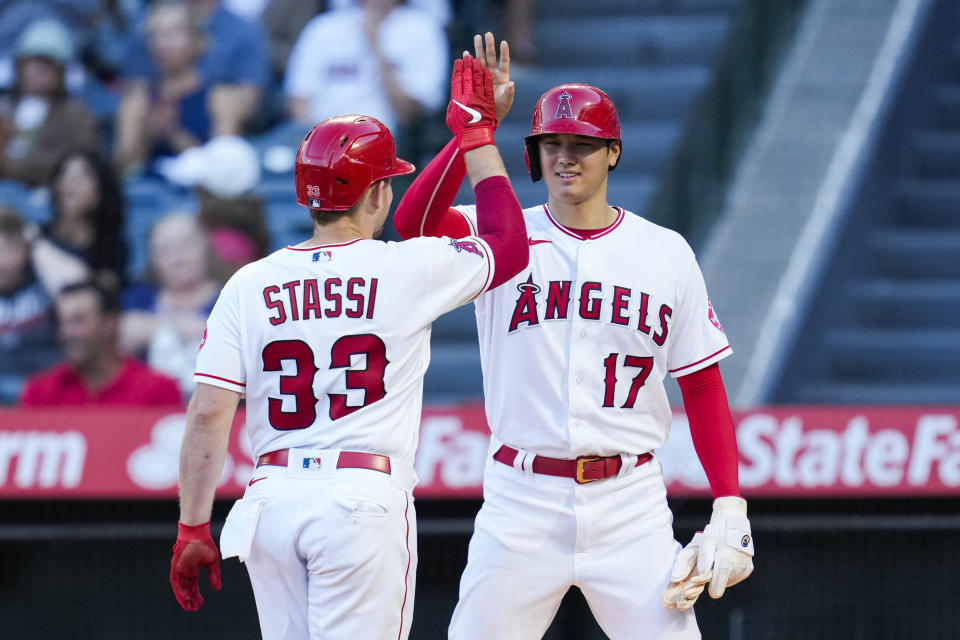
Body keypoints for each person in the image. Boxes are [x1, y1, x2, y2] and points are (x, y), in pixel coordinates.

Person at [393, 33, 755, 639]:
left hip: (630, 504)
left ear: (611, 152)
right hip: (521, 499)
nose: (565, 157)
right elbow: (414, 224)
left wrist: (730, 503)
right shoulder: (502, 235)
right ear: (532, 154)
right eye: (550, 144)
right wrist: (470, 136)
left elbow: (702, 381)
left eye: (582, 145)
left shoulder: (663, 252)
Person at [169, 55, 529, 640]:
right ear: (378, 193)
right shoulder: (402, 268)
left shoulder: (248, 282)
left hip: (271, 501)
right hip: (359, 499)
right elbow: (508, 246)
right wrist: (477, 137)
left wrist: (192, 526)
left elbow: (209, 412)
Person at [283, 0, 448, 133]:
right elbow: (298, 99)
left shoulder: (422, 29)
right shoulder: (325, 26)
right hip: (321, 139)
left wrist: (376, 45)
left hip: (379, 140)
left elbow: (408, 113)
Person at [20, 281, 183, 406]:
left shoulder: (159, 390)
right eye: (62, 323)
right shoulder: (40, 392)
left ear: (110, 324)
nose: (66, 333)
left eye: (78, 320)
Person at [121, 212, 222, 398]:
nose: (177, 255)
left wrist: (154, 327)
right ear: (154, 260)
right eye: (164, 249)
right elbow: (119, 335)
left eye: (186, 244)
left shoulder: (231, 295)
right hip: (150, 407)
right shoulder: (140, 298)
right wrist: (182, 326)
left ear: (204, 247)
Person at [0, 204, 88, 403]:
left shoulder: (46, 277)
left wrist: (36, 243)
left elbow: (81, 291)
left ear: (24, 250)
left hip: (50, 392)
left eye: (5, 249)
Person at [0, 18, 100, 187]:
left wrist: (12, 165)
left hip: (46, 196)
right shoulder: (4, 107)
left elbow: (80, 162)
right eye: (34, 62)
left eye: (49, 65)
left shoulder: (76, 115)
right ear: (20, 65)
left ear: (61, 73)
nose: (40, 70)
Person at [46, 150, 129, 290]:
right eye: (64, 174)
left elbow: (104, 295)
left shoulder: (115, 246)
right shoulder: (38, 237)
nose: (70, 182)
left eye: (82, 176)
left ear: (102, 188)